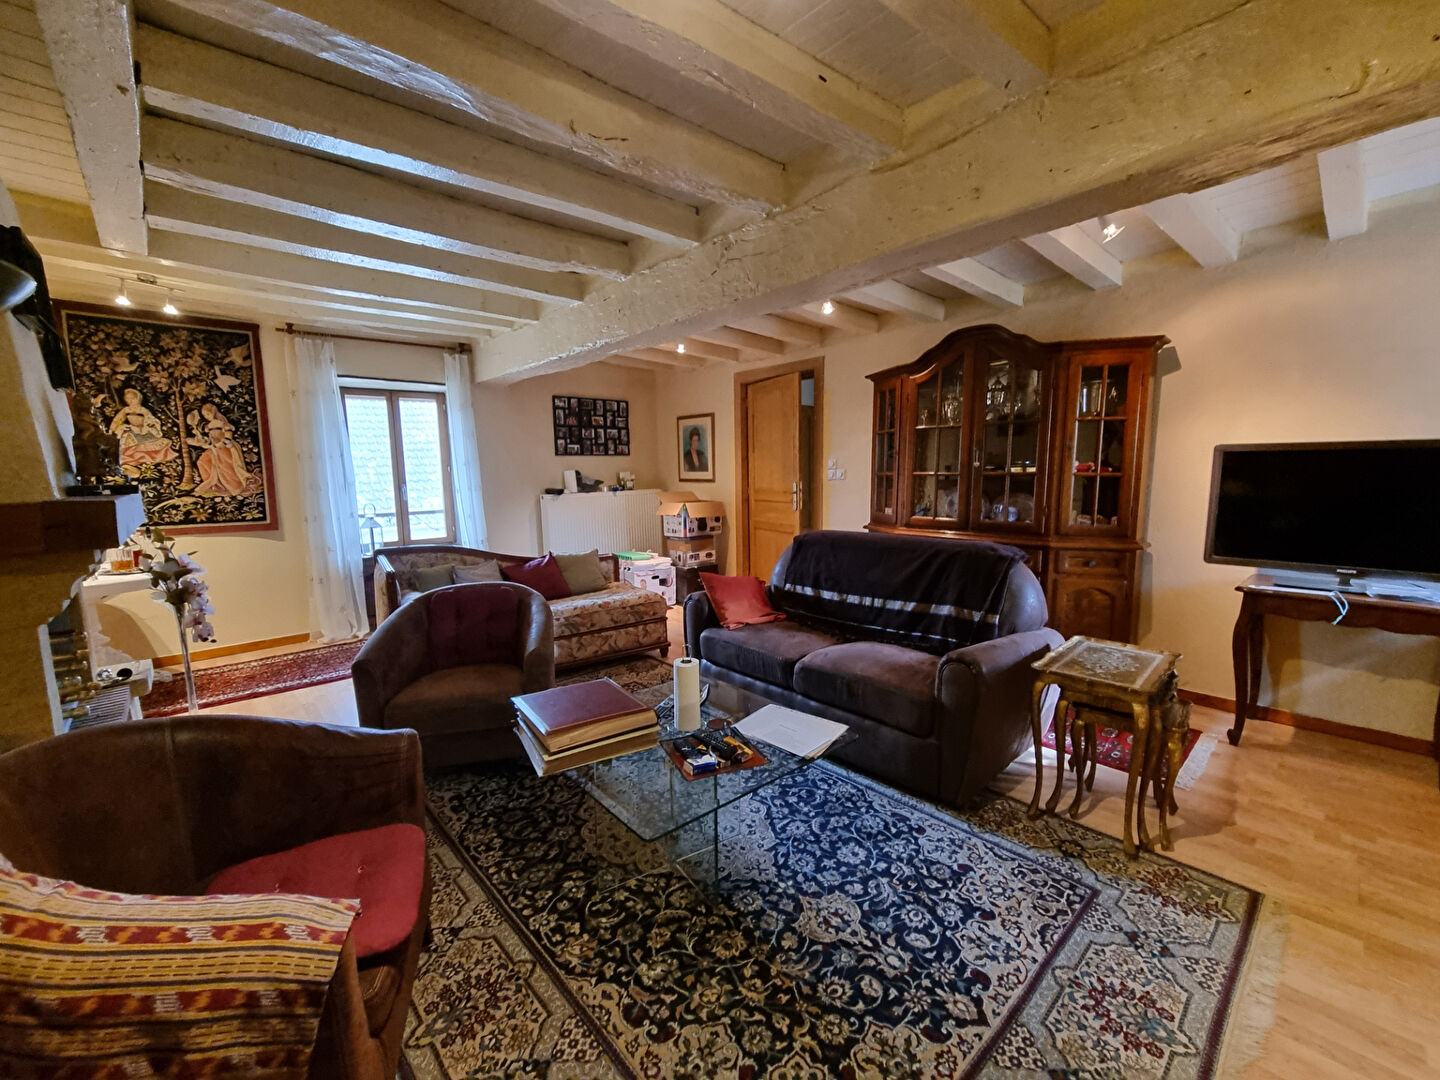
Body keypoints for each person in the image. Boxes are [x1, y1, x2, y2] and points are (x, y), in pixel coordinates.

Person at [108, 388, 177, 473]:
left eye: (132, 398)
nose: (130, 401)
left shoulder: (143, 410)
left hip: (144, 430)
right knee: (126, 442)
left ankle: (146, 461)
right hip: (131, 430)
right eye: (128, 399)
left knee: (150, 444)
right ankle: (129, 463)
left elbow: (151, 419)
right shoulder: (126, 410)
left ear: (138, 398)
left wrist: (149, 424)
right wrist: (113, 429)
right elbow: (117, 420)